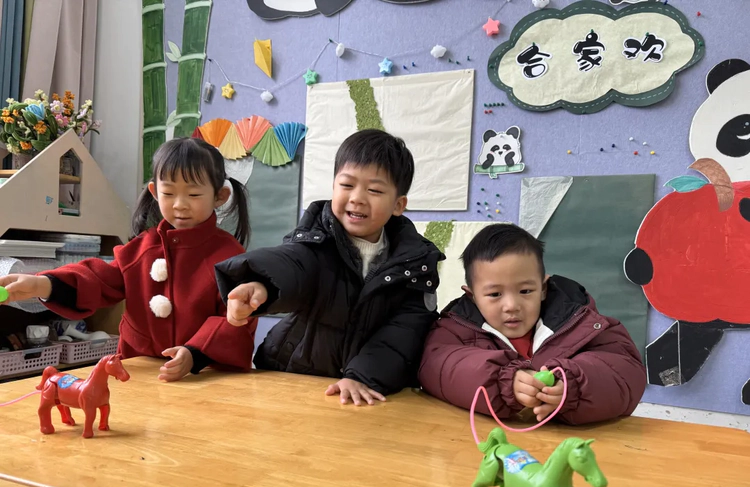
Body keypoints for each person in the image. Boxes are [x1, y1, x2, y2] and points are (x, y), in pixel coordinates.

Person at [214, 129, 444, 405]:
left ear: (398, 205)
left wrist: (363, 376)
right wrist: (259, 284)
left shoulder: (416, 266)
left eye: (374, 190)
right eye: (347, 185)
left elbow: (403, 334)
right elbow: (293, 265)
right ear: (333, 187)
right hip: (293, 374)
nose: (357, 198)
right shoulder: (316, 237)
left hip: (368, 388)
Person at [0, 138, 257, 381]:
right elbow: (99, 279)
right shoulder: (142, 248)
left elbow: (237, 319)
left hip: (207, 377)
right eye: (169, 193)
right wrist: (42, 284)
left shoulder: (229, 256)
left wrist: (195, 353)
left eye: (194, 195)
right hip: (139, 374)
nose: (180, 204)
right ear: (155, 192)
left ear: (220, 196)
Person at [418, 224, 646, 425]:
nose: (511, 306)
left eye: (525, 291)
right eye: (495, 294)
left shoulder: (585, 323)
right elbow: (437, 367)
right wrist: (502, 381)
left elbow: (626, 373)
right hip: (488, 445)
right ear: (473, 297)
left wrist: (573, 386)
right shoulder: (453, 330)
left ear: (543, 288)